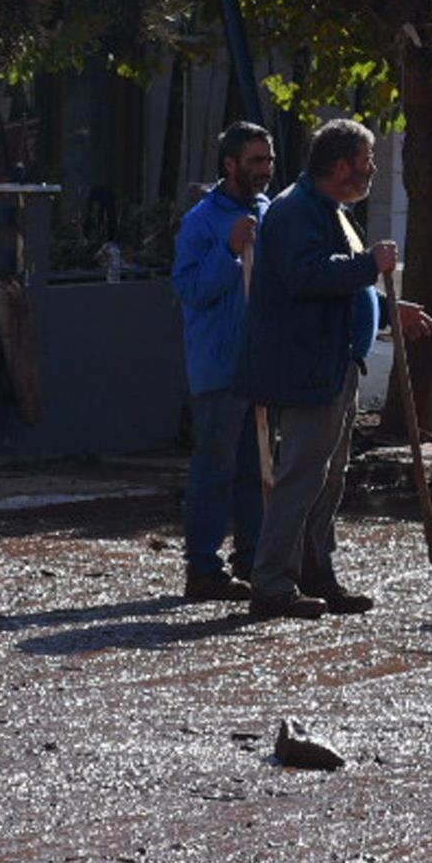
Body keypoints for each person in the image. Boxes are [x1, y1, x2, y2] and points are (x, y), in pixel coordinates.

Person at [238, 118, 430, 617]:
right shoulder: (295, 211)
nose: (372, 170)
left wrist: (388, 309)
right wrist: (370, 265)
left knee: (328, 479)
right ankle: (272, 583)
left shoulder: (330, 211)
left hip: (333, 363)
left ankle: (316, 574)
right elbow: (305, 277)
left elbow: (342, 287)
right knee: (302, 477)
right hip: (306, 365)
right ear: (342, 166)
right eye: (368, 161)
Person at [171, 122, 279, 603]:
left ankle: (253, 561)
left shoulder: (269, 212)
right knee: (214, 469)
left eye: (269, 159)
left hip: (260, 364)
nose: (265, 169)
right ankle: (203, 568)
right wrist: (229, 251)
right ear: (230, 164)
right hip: (219, 367)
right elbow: (190, 289)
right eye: (256, 160)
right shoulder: (202, 221)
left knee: (258, 467)